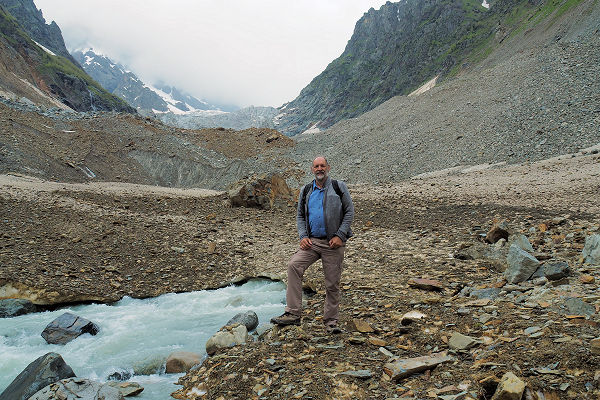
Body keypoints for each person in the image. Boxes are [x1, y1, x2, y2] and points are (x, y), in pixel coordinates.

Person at [271, 156, 354, 333]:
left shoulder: (338, 187)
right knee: (294, 265)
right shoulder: (307, 189)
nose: (319, 169)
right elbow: (300, 215)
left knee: (332, 283)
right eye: (316, 166)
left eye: (322, 166)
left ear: (328, 168)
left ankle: (331, 322)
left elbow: (349, 212)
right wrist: (303, 236)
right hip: (313, 242)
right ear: (312, 169)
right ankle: (293, 313)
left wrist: (340, 235)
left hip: (333, 244)